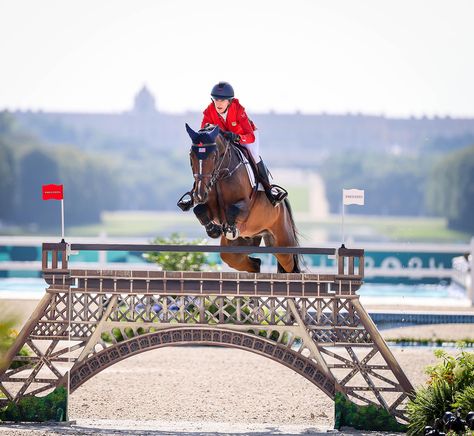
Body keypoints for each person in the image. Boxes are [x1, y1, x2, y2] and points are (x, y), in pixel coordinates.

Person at [178, 81, 287, 211]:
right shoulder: (209, 111)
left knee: (254, 155)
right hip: (224, 141)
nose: (218, 103)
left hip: (245, 137)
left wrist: (238, 137)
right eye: (216, 99)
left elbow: (250, 136)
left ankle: (270, 190)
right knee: (205, 160)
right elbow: (205, 133)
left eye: (222, 100)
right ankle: (194, 193)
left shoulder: (238, 110)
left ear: (229, 101)